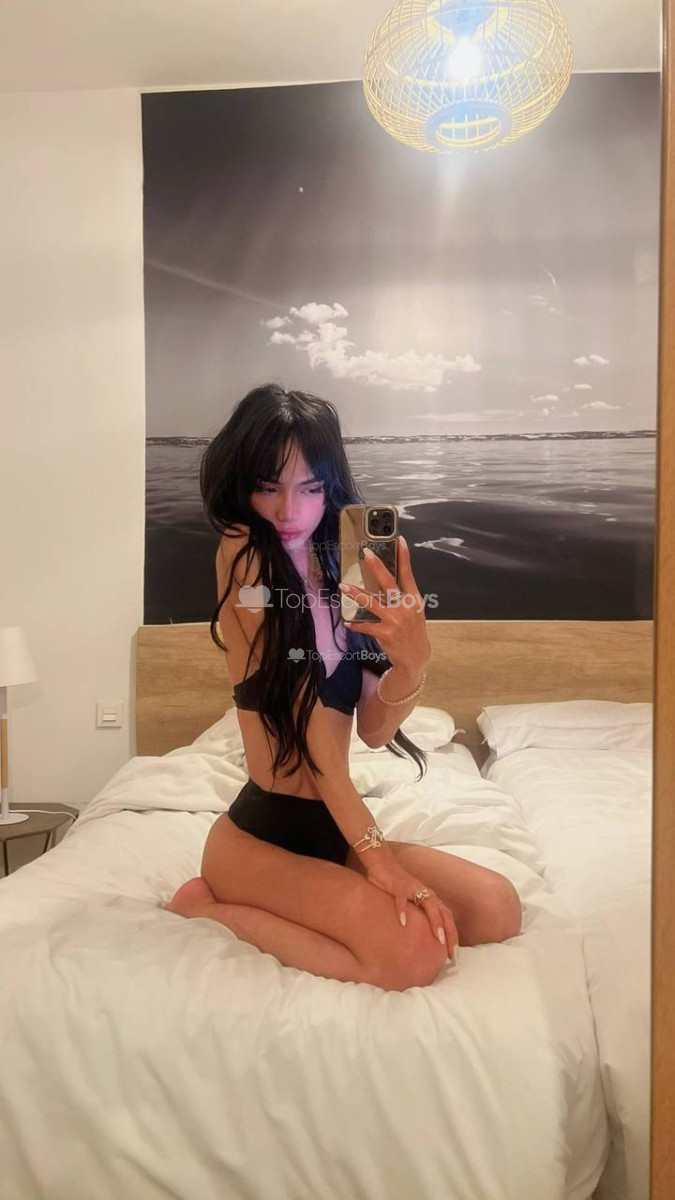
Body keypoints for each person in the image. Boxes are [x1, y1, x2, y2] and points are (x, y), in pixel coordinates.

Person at [165, 384, 522, 991]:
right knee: (411, 957)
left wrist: (412, 664)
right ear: (243, 484)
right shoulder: (245, 555)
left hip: (333, 826)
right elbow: (311, 739)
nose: (288, 511)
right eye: (268, 487)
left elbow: (376, 732)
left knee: (496, 908)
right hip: (260, 838)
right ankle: (204, 909)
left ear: (330, 486)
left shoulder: (349, 571)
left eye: (309, 488)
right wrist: (380, 862)